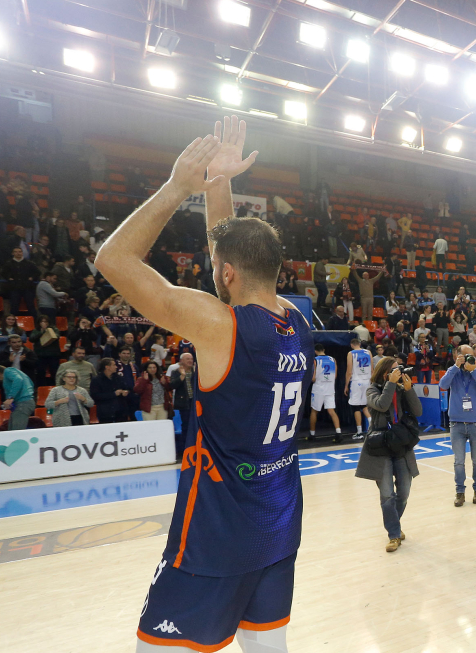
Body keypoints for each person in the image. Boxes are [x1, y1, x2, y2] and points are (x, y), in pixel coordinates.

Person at [96, 116, 312, 653]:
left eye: (218, 267)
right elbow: (231, 255)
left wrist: (179, 186)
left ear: (227, 273)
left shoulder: (220, 326)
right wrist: (221, 182)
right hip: (278, 519)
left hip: (216, 533)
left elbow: (112, 260)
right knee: (268, 647)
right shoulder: (299, 317)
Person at [354, 355, 422, 552]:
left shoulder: (401, 390)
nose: (399, 372)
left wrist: (409, 390)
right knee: (387, 495)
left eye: (399, 368)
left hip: (400, 444)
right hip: (380, 446)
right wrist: (390, 384)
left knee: (404, 492)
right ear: (384, 372)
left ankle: (395, 525)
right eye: (394, 369)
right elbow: (382, 405)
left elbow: (417, 411)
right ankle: (393, 534)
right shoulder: (372, 389)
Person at [439, 344, 476, 506]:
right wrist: (455, 367)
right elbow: (443, 385)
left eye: (472, 356)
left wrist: (474, 370)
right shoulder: (453, 371)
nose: (471, 359)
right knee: (459, 461)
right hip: (457, 423)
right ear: (458, 356)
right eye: (466, 356)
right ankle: (460, 492)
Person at [309, 342, 342, 441]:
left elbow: (313, 378)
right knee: (332, 411)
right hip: (330, 388)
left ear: (315, 351)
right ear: (324, 350)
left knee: (314, 411)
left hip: (318, 388)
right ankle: (339, 433)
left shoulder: (315, 360)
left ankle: (312, 435)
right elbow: (335, 376)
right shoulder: (333, 359)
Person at [0, 364, 34, 430]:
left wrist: (10, 397)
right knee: (11, 430)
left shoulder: (7, 371)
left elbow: (18, 379)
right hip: (24, 403)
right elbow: (31, 384)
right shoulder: (22, 374)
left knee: (16, 432)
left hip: (22, 404)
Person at [170, 353, 196, 456]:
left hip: (195, 402)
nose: (190, 360)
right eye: (187, 359)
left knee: (197, 426)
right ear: (181, 361)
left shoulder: (196, 372)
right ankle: (185, 449)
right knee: (186, 426)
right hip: (184, 403)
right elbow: (172, 385)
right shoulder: (176, 372)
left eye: (191, 359)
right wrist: (182, 376)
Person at [346, 338, 372, 439]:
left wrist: (346, 385)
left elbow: (349, 371)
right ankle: (372, 427)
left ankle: (359, 432)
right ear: (360, 344)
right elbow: (372, 369)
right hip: (367, 381)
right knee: (364, 405)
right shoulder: (368, 352)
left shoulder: (351, 353)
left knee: (356, 407)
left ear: (352, 345)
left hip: (356, 382)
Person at [91, 357, 131, 423]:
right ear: (107, 367)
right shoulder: (96, 380)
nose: (116, 367)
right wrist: (113, 394)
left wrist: (126, 392)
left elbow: (127, 388)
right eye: (114, 365)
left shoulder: (119, 378)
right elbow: (95, 396)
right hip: (105, 412)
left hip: (121, 411)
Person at [29, 315, 63, 386]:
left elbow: (56, 336)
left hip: (53, 355)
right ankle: (40, 388)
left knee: (55, 372)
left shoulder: (54, 329)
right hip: (40, 355)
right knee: (40, 372)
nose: (44, 323)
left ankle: (56, 387)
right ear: (39, 323)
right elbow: (31, 339)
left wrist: (46, 331)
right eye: (42, 321)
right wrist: (41, 332)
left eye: (45, 321)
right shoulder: (36, 330)